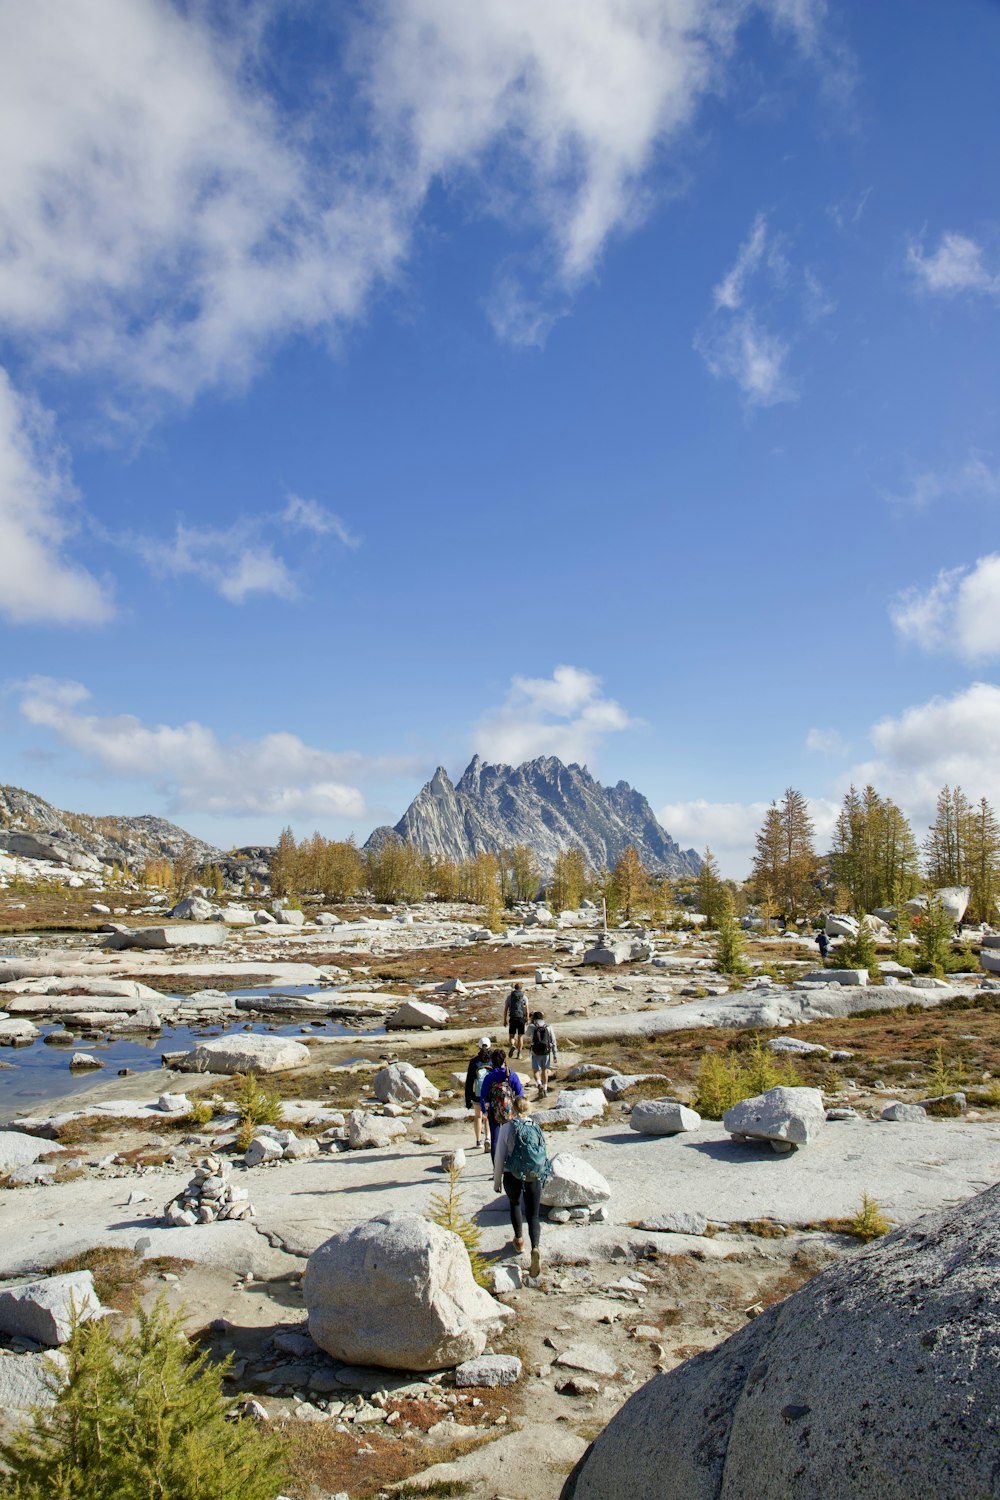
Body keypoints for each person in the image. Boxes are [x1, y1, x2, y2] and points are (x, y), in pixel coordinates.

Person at [493, 1095, 550, 1279]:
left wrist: (496, 1181)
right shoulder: (536, 1127)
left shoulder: (506, 1127)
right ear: (529, 1109)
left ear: (513, 1110)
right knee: (533, 1215)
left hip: (512, 1174)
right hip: (534, 1174)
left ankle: (519, 1241)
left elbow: (500, 1156)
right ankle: (535, 1247)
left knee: (515, 1204)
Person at [479, 1046, 524, 1159]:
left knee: (495, 1140)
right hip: (510, 1112)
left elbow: (483, 1096)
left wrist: (485, 1111)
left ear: (492, 1062)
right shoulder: (511, 1075)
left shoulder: (489, 1077)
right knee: (511, 1139)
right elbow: (520, 1094)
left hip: (493, 1113)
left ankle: (497, 1170)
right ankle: (511, 1167)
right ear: (504, 1061)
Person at [464, 1036, 493, 1152]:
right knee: (487, 1117)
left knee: (478, 1116)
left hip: (477, 1093)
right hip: (489, 1093)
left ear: (479, 1046)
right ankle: (488, 1138)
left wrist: (468, 1098)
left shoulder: (474, 1061)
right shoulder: (492, 1061)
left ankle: (478, 1141)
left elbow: (469, 1080)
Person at [528, 1010, 558, 1096]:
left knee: (536, 1071)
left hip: (535, 1052)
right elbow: (553, 1040)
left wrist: (530, 1022)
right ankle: (545, 1088)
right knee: (545, 1070)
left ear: (534, 1018)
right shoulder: (548, 1026)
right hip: (546, 1052)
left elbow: (527, 1034)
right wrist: (555, 1054)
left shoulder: (532, 1026)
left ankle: (539, 1084)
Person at [504, 982, 528, 1057]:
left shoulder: (510, 997)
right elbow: (527, 1010)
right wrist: (527, 1018)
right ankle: (519, 1054)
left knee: (511, 1036)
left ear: (515, 988)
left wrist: (505, 1020)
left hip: (513, 1018)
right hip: (521, 1018)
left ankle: (512, 1045)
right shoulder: (524, 997)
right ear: (521, 988)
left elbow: (506, 1009)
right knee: (520, 1037)